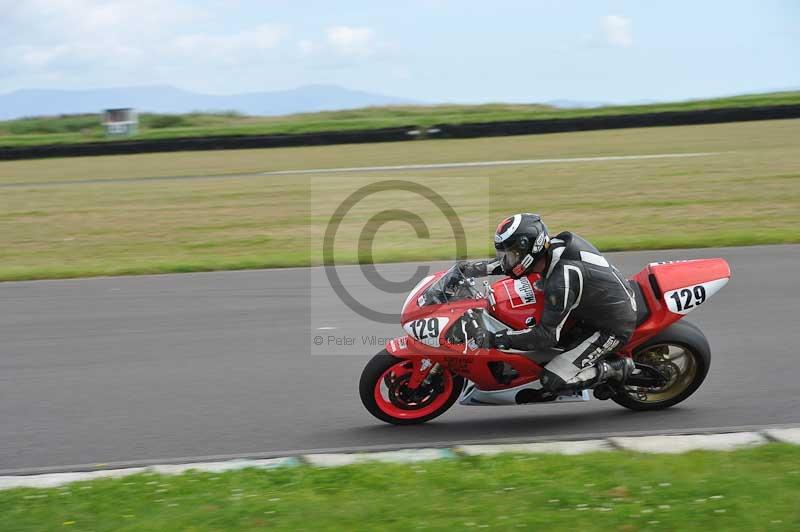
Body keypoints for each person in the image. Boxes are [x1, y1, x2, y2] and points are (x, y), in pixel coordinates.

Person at [459, 213, 637, 395]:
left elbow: (546, 336)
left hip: (611, 327)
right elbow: (510, 265)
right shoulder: (553, 248)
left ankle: (614, 369)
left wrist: (495, 339)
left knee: (552, 380)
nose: (507, 259)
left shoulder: (561, 281)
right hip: (595, 305)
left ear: (530, 250)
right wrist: (468, 270)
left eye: (511, 254)